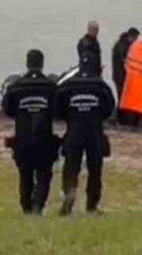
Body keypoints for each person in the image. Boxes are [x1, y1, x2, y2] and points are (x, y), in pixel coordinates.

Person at [0, 49, 60, 214]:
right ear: (42, 64)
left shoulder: (16, 87)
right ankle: (37, 206)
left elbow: (7, 110)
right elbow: (58, 111)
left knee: (25, 175)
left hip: (22, 139)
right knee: (44, 175)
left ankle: (26, 207)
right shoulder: (51, 87)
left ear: (27, 64)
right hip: (44, 140)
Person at [56, 52, 115, 216]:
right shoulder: (101, 85)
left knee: (71, 168)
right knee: (95, 170)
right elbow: (109, 109)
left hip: (74, 131)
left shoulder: (68, 85)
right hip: (94, 132)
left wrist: (70, 117)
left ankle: (68, 202)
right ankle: (91, 206)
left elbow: (57, 108)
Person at [110, 27, 139, 100]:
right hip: (120, 76)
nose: (136, 40)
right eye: (135, 38)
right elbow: (125, 60)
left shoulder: (122, 43)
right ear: (131, 36)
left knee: (123, 96)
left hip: (120, 75)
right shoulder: (123, 46)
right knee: (123, 96)